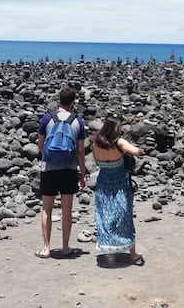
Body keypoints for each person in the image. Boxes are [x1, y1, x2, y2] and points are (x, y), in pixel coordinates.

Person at [36, 86, 86, 259]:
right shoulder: (77, 121)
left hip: (49, 168)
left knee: (47, 208)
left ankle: (46, 248)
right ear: (72, 102)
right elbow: (80, 150)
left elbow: (41, 145)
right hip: (69, 169)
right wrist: (83, 173)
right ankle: (65, 247)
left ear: (59, 100)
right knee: (67, 209)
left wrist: (48, 157)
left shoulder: (47, 119)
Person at [91, 118, 145, 266]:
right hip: (119, 182)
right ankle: (133, 255)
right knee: (124, 217)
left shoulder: (95, 142)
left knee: (106, 217)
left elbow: (96, 161)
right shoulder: (119, 143)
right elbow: (136, 151)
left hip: (103, 182)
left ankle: (111, 255)